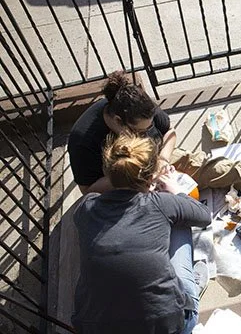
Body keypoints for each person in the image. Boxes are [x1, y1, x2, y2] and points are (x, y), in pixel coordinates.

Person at [68, 71, 241, 195]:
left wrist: (163, 160)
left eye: (149, 128)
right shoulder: (83, 139)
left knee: (201, 165)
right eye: (140, 131)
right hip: (123, 185)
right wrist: (134, 176)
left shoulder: (141, 106)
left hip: (157, 163)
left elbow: (170, 132)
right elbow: (88, 190)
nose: (147, 133)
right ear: (119, 121)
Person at [72, 133, 211, 333]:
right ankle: (188, 289)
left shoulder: (86, 208)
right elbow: (204, 215)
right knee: (181, 220)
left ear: (107, 173)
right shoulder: (160, 203)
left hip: (96, 327)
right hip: (169, 325)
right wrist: (175, 190)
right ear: (150, 178)